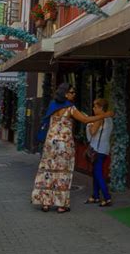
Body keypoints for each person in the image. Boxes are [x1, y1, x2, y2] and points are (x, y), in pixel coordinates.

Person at [31, 83, 113, 213]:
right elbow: (85, 120)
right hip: (64, 144)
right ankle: (61, 205)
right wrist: (105, 115)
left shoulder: (53, 105)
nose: (74, 94)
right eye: (72, 92)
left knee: (47, 171)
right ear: (66, 94)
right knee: (63, 173)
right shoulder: (70, 108)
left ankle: (45, 203)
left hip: (50, 143)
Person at [85, 98, 113, 207]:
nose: (93, 108)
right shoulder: (109, 119)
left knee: (98, 173)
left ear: (101, 108)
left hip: (97, 149)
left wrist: (89, 125)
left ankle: (107, 197)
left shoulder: (99, 119)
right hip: (104, 149)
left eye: (95, 107)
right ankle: (95, 195)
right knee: (96, 172)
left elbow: (92, 132)